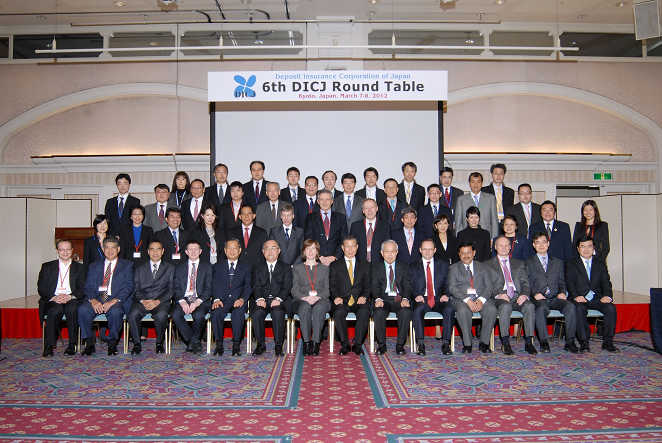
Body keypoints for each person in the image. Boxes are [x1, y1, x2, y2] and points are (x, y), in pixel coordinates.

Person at [78, 237, 134, 356]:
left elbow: (129, 287)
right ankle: (89, 342)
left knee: (116, 312)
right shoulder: (94, 265)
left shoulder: (127, 265)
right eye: (107, 247)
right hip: (97, 298)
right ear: (103, 249)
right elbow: (88, 286)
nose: (110, 251)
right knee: (83, 310)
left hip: (116, 299)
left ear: (118, 249)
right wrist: (93, 300)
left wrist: (113, 301)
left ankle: (112, 343)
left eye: (113, 247)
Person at [526, 231, 578, 354]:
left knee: (570, 306)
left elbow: (562, 281)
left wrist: (562, 292)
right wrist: (534, 294)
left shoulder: (558, 262)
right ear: (533, 245)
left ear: (548, 244)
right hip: (539, 298)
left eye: (544, 242)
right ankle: (544, 342)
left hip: (555, 298)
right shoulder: (528, 262)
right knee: (540, 309)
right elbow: (526, 282)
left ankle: (570, 342)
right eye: (537, 243)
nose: (541, 245)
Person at [566, 236, 619, 353]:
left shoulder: (600, 263)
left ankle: (608, 342)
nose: (586, 249)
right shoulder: (571, 263)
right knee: (579, 309)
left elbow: (606, 282)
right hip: (579, 298)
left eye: (589, 246)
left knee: (611, 308)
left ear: (593, 247)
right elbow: (569, 282)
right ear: (578, 249)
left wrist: (608, 296)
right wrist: (575, 296)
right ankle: (584, 343)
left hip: (597, 298)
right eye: (582, 246)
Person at [486, 236, 537, 355]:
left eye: (506, 245)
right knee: (505, 307)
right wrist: (498, 294)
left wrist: (524, 294)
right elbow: (486, 285)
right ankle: (505, 342)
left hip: (517, 296)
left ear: (510, 247)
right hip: (500, 297)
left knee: (529, 306)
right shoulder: (488, 264)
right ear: (495, 247)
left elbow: (525, 283)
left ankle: (529, 342)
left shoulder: (519, 263)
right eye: (500, 245)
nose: (503, 248)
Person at [37, 239, 86, 357]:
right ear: (57, 251)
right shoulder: (47, 266)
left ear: (72, 251)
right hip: (54, 299)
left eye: (68, 249)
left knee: (72, 309)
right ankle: (49, 346)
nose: (65, 252)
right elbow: (41, 287)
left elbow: (83, 288)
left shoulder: (80, 268)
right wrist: (54, 297)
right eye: (62, 250)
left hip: (72, 298)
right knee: (55, 311)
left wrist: (70, 296)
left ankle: (72, 345)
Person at [447, 242, 498, 353]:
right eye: (463, 253)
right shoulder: (453, 268)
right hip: (461, 299)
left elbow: (489, 286)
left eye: (469, 252)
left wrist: (481, 300)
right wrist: (467, 300)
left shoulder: (483, 267)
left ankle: (484, 343)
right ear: (459, 254)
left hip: (481, 297)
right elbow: (452, 288)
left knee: (491, 309)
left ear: (474, 253)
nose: (466, 255)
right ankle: (467, 344)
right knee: (462, 311)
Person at [127, 240, 173, 355]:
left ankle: (159, 343)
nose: (155, 252)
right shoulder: (139, 268)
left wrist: (158, 301)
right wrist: (143, 301)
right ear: (148, 252)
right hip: (143, 301)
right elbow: (135, 289)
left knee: (162, 315)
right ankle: (137, 344)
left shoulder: (170, 268)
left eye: (158, 249)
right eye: (152, 249)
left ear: (163, 251)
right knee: (132, 314)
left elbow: (171, 290)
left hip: (161, 302)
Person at [410, 239, 454, 356]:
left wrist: (446, 294)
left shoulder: (444, 265)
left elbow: (448, 283)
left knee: (449, 309)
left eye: (430, 249)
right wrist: (415, 295)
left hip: (439, 299)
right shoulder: (413, 266)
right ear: (420, 250)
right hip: (422, 299)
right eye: (425, 249)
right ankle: (420, 344)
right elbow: (409, 285)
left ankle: (446, 344)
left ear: (435, 250)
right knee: (418, 309)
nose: (427, 252)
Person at [329, 236, 371, 355]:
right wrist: (335, 297)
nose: (350, 249)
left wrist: (365, 296)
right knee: (338, 313)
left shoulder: (365, 264)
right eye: (347, 246)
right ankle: (345, 344)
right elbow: (332, 285)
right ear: (343, 248)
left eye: (353, 246)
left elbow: (368, 285)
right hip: (342, 300)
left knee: (364, 312)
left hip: (359, 300)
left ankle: (358, 344)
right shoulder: (335, 265)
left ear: (357, 247)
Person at [371, 240, 413, 355]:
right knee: (378, 312)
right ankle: (381, 345)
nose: (390, 255)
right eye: (387, 252)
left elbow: (408, 285)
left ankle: (400, 345)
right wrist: (378, 299)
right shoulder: (375, 267)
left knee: (405, 312)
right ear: (381, 253)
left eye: (393, 251)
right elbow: (374, 286)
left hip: (399, 299)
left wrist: (405, 298)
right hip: (383, 300)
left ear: (397, 252)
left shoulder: (404, 267)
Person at [211, 239, 252, 356]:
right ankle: (219, 344)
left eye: (235, 248)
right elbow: (214, 284)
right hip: (222, 300)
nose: (232, 251)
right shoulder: (217, 266)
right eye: (229, 248)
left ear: (239, 250)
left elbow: (248, 286)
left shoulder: (246, 267)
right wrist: (216, 299)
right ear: (225, 250)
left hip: (238, 300)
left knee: (238, 314)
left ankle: (236, 345)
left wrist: (242, 299)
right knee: (216, 312)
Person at [252, 240, 293, 356]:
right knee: (257, 313)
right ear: (263, 252)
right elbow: (255, 285)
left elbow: (287, 286)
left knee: (278, 313)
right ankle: (260, 345)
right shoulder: (257, 267)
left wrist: (279, 299)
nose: (270, 251)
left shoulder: (286, 267)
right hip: (263, 301)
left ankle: (278, 345)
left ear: (279, 251)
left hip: (279, 301)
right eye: (267, 248)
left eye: (273, 248)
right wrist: (259, 298)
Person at [171, 240, 212, 354]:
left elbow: (209, 288)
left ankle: (192, 342)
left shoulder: (207, 267)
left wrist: (197, 302)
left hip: (200, 300)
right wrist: (182, 301)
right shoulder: (179, 267)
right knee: (175, 315)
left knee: (199, 315)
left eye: (196, 249)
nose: (193, 252)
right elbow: (176, 287)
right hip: (184, 298)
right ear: (186, 252)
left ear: (200, 251)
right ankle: (194, 341)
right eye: (190, 249)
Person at [291, 239, 331, 356]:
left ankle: (316, 342)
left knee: (319, 309)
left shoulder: (325, 268)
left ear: (317, 251)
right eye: (308, 248)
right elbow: (294, 289)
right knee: (304, 308)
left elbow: (327, 290)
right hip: (301, 300)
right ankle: (307, 342)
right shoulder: (297, 268)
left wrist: (317, 297)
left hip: (321, 299)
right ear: (304, 251)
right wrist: (305, 298)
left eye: (313, 248)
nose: (310, 251)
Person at [304, 189, 347, 266]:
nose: (324, 202)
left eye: (327, 199)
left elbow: (344, 240)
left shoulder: (341, 217)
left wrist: (334, 257)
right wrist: (319, 256)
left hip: (336, 261)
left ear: (332, 201)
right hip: (317, 260)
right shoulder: (310, 217)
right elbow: (308, 239)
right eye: (322, 199)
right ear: (318, 201)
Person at [454, 172, 499, 239]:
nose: (475, 184)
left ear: (482, 183)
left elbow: (494, 221)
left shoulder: (491, 198)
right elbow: (458, 223)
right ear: (469, 183)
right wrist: (459, 240)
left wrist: (493, 239)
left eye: (478, 182)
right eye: (473, 182)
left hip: (486, 238)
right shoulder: (461, 200)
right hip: (467, 238)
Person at [350, 198, 390, 264]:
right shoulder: (355, 226)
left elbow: (387, 246)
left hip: (379, 264)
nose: (369, 210)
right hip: (360, 264)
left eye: (372, 207)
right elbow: (352, 245)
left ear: (377, 209)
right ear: (363, 211)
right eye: (366, 208)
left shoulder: (385, 226)